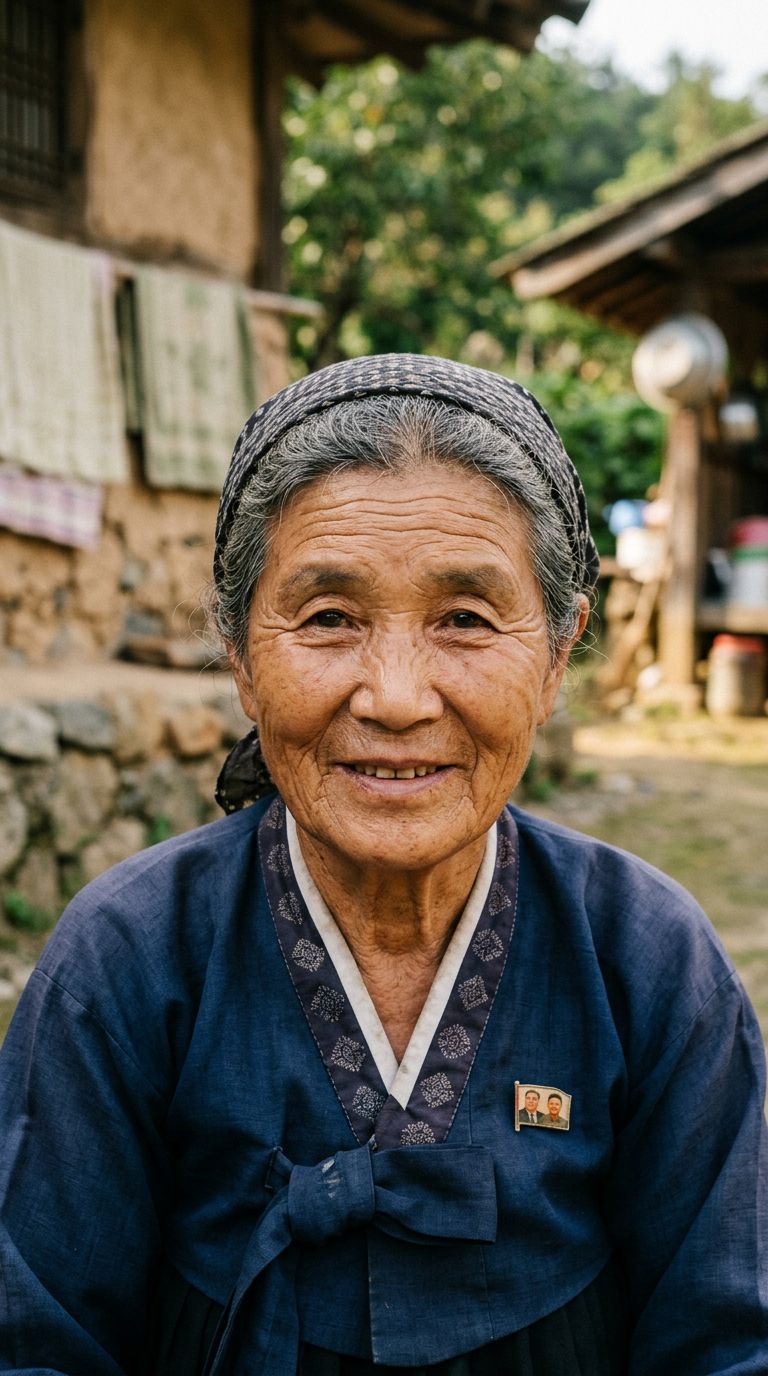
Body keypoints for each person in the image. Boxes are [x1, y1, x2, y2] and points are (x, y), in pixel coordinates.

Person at [0, 353, 766, 1376]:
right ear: (239, 656)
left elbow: (730, 1346)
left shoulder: (650, 960)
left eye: (464, 618)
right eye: (328, 618)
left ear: (557, 653)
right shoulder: (129, 957)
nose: (397, 695)